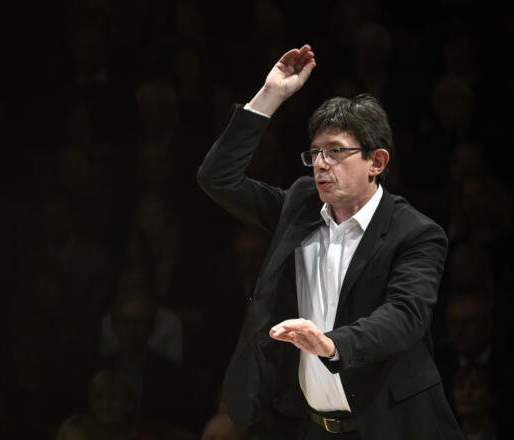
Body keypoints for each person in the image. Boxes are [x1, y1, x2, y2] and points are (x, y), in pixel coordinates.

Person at [197, 44, 463, 439]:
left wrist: (332, 344)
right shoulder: (300, 206)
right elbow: (217, 178)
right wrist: (269, 96)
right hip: (316, 427)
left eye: (336, 152)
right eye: (316, 153)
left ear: (377, 162)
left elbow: (405, 316)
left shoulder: (415, 232)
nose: (321, 163)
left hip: (395, 426)